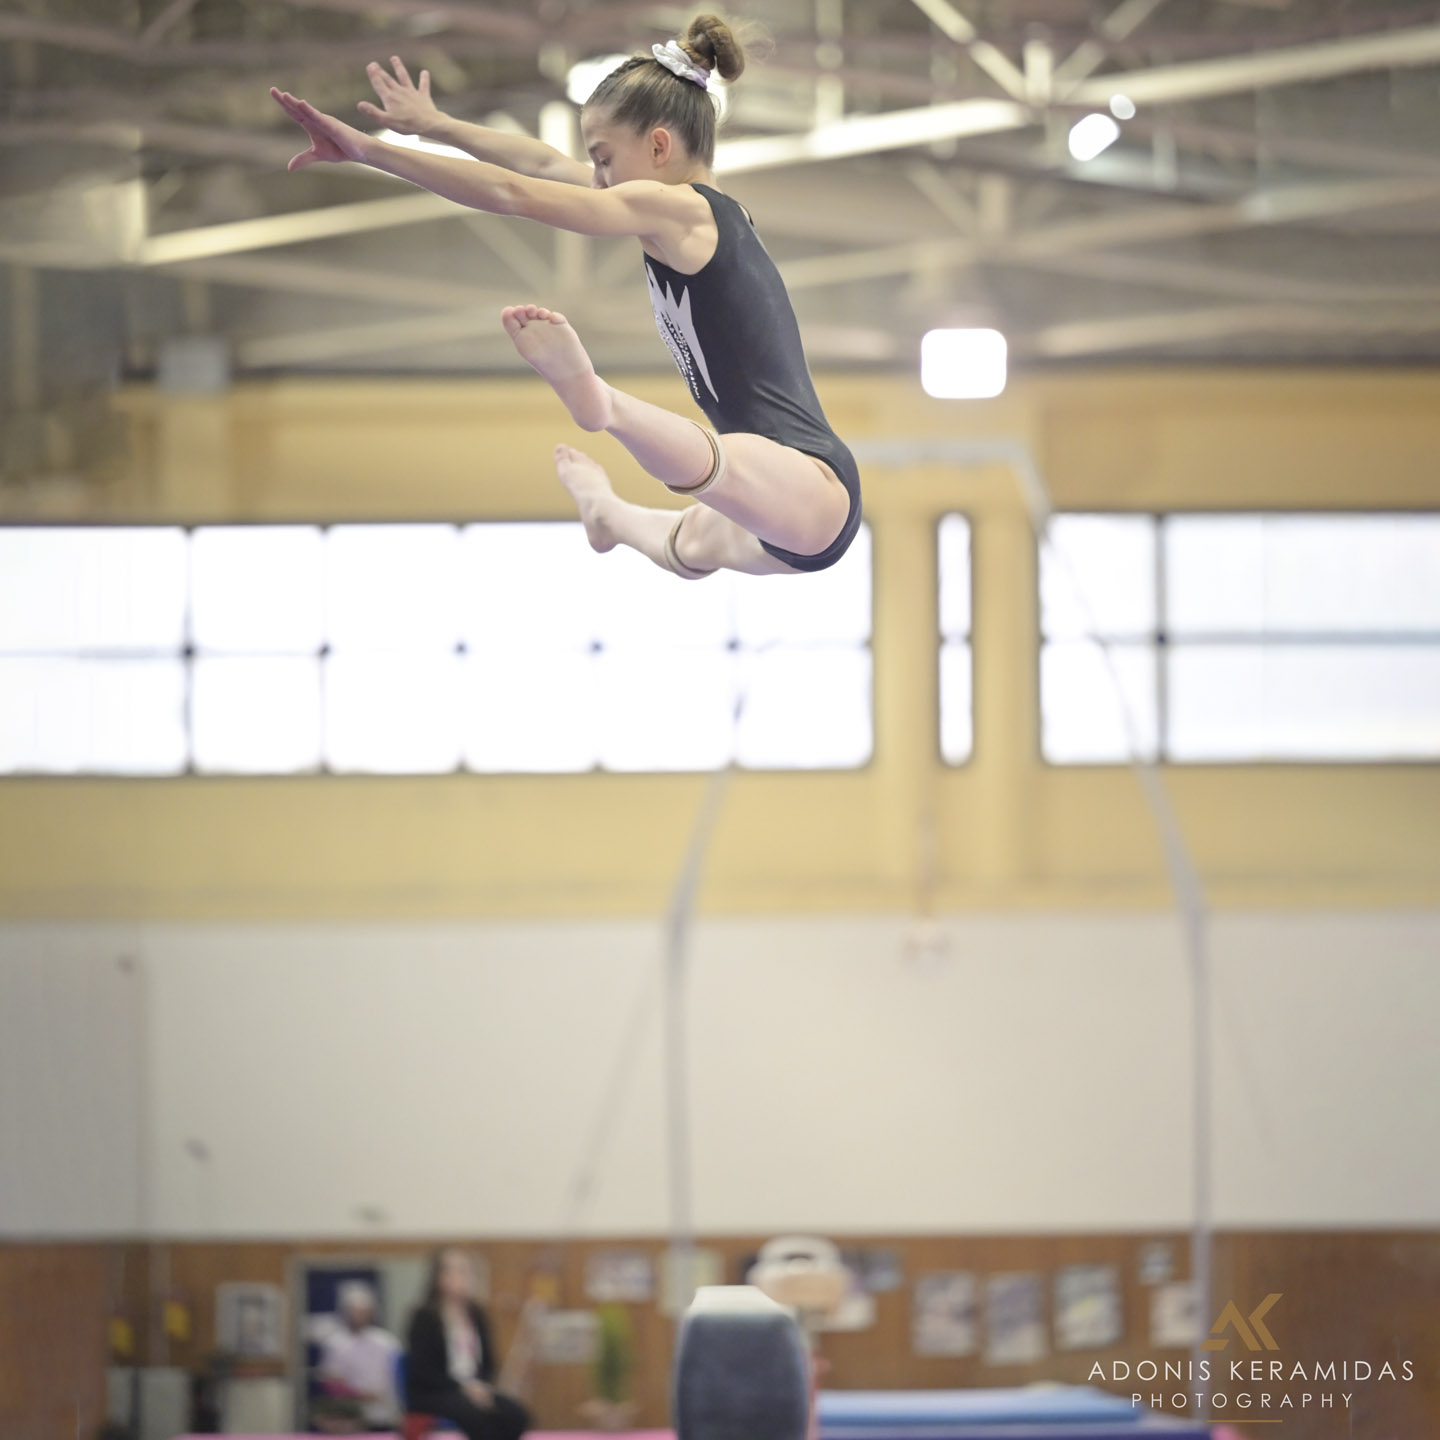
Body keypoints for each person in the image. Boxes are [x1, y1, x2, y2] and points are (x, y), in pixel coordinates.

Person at [269, 14, 862, 582]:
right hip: (776, 509)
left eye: (603, 159)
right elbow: (541, 163)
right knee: (684, 541)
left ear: (659, 147)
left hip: (808, 482)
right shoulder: (674, 211)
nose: (595, 178)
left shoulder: (685, 210)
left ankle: (602, 404)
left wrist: (369, 151)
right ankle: (608, 514)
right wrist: (437, 125)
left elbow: (514, 192)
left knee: (712, 481)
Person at [404, 1248, 529, 1440]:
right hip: (437, 1391)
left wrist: (482, 1386)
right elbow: (423, 1370)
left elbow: (489, 1361)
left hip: (475, 1387)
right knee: (477, 1417)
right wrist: (463, 1388)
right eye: (451, 1270)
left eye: (463, 1270)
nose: (458, 1276)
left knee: (515, 1414)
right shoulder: (424, 1317)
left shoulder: (476, 1314)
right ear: (437, 1276)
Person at [315, 1281, 401, 1432]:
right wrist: (359, 1395)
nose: (358, 1316)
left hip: (385, 1414)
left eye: (363, 1311)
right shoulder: (335, 1344)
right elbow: (330, 1380)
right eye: (354, 1311)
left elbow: (398, 1377)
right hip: (350, 1418)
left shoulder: (387, 1342)